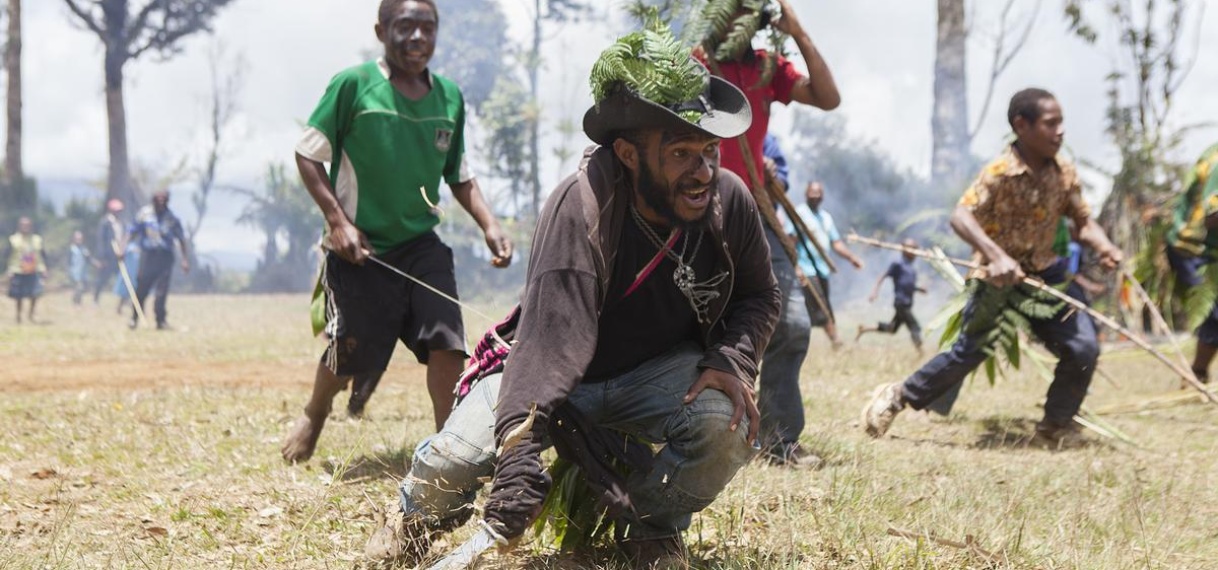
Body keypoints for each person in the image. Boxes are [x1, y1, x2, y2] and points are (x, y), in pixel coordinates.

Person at [365, 24, 779, 570]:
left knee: (725, 424)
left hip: (654, 374)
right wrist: (518, 451)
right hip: (548, 371)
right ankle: (410, 519)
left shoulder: (729, 201)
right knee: (452, 463)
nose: (702, 171)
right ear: (629, 154)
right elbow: (548, 344)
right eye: (681, 153)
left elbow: (759, 296)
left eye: (709, 150)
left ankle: (648, 529)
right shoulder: (581, 206)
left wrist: (731, 358)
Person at [281, 0, 514, 463]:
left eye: (427, 27)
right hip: (360, 249)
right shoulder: (354, 86)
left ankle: (452, 450)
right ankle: (315, 411)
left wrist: (490, 224)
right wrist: (338, 223)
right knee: (348, 351)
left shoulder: (449, 96)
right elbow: (308, 155)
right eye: (405, 26)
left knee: (447, 341)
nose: (418, 38)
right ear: (381, 29)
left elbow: (459, 174)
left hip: (421, 246)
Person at [862, 88, 1124, 446]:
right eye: (1051, 123)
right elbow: (961, 215)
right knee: (970, 351)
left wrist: (1104, 245)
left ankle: (1056, 426)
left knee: (1083, 348)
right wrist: (996, 255)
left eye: (1061, 122)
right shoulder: (999, 172)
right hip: (998, 278)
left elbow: (1082, 222)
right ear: (1022, 125)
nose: (1060, 131)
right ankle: (896, 396)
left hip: (1047, 275)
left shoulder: (1064, 172)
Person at [706, 0, 840, 467]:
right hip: (696, 212)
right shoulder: (693, 63)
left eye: (752, 10)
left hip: (755, 215)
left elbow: (828, 97)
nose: (742, 19)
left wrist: (799, 31)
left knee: (792, 324)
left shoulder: (767, 69)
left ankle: (779, 442)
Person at [754, 134, 818, 467]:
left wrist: (770, 173)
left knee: (792, 324)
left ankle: (778, 439)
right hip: (703, 214)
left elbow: (781, 180)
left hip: (762, 224)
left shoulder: (766, 138)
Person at [1163, 143, 1218, 382]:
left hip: (1209, 247)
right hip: (1192, 246)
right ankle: (1197, 373)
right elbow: (1213, 217)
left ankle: (1197, 374)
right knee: (1213, 311)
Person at [790, 181, 865, 348]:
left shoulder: (826, 218)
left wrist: (852, 257)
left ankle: (805, 341)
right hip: (806, 269)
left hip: (822, 270)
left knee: (820, 306)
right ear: (806, 194)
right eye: (812, 192)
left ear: (822, 196)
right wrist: (795, 266)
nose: (815, 196)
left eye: (818, 193)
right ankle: (836, 341)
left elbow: (836, 243)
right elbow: (791, 242)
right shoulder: (799, 214)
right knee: (821, 305)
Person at [128, 190, 191, 330]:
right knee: (141, 288)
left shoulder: (172, 218)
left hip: (165, 258)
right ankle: (134, 318)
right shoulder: (144, 215)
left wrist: (185, 259)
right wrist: (122, 248)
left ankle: (160, 321)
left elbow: (181, 239)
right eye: (159, 200)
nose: (161, 202)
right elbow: (132, 231)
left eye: (164, 200)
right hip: (148, 256)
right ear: (154, 200)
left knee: (161, 291)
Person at [857, 238, 926, 351]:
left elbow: (907, 285)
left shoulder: (911, 268)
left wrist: (918, 289)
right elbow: (882, 276)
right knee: (915, 327)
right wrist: (875, 292)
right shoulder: (898, 264)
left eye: (915, 249)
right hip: (901, 302)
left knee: (892, 328)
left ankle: (864, 329)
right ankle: (920, 352)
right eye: (912, 249)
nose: (914, 252)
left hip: (907, 303)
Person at [6, 216, 47, 324]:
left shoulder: (37, 240)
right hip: (18, 270)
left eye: (27, 225)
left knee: (34, 294)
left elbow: (41, 256)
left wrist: (43, 269)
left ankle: (31, 314)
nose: (25, 227)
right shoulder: (13, 240)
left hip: (33, 270)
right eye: (23, 225)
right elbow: (8, 256)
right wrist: (9, 269)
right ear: (19, 226)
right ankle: (18, 315)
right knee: (18, 295)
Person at [94, 198, 126, 306]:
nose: (118, 212)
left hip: (119, 255)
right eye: (116, 210)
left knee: (124, 278)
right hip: (108, 256)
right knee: (102, 278)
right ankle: (96, 299)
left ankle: (124, 301)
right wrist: (102, 257)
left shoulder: (120, 223)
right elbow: (101, 240)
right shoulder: (105, 222)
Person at [68, 230, 93, 306]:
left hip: (83, 272)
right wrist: (69, 271)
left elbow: (89, 259)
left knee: (81, 288)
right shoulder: (72, 249)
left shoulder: (84, 249)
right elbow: (68, 261)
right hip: (75, 271)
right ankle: (77, 302)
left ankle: (77, 300)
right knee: (79, 287)